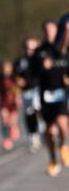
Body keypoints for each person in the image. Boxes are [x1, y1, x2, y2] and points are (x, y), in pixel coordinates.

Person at [37, 19, 69, 176]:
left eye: (52, 29)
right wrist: (42, 68)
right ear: (44, 31)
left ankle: (63, 146)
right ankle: (52, 160)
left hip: (62, 93)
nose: (50, 32)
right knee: (50, 131)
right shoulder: (40, 51)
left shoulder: (62, 49)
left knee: (63, 124)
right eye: (47, 29)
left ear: (57, 30)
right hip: (46, 94)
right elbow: (32, 73)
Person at [14, 38, 42, 152]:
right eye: (27, 47)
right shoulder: (20, 61)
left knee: (38, 109)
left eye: (32, 47)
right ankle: (33, 137)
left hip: (38, 89)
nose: (29, 50)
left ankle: (43, 130)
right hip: (26, 91)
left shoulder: (39, 59)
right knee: (29, 114)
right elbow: (15, 74)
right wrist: (18, 81)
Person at [0, 60, 20, 151]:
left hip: (12, 101)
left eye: (7, 67)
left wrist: (18, 98)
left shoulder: (14, 77)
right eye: (4, 68)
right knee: (4, 119)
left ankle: (14, 128)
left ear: (11, 68)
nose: (5, 69)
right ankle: (6, 139)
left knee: (12, 121)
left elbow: (17, 89)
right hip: (4, 101)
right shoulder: (0, 77)